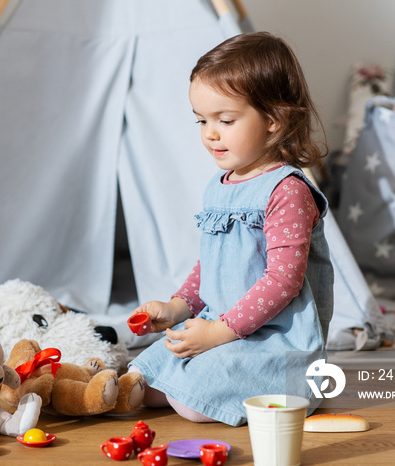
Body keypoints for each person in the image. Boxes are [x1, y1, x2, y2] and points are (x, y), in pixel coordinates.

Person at [128, 32, 334, 426]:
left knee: (190, 403)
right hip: (223, 325)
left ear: (273, 120)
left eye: (225, 120)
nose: (209, 132)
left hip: (273, 340)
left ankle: (271, 386)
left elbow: (283, 282)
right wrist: (176, 308)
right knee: (143, 379)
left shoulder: (286, 191)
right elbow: (213, 263)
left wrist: (219, 333)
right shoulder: (220, 186)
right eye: (201, 120)